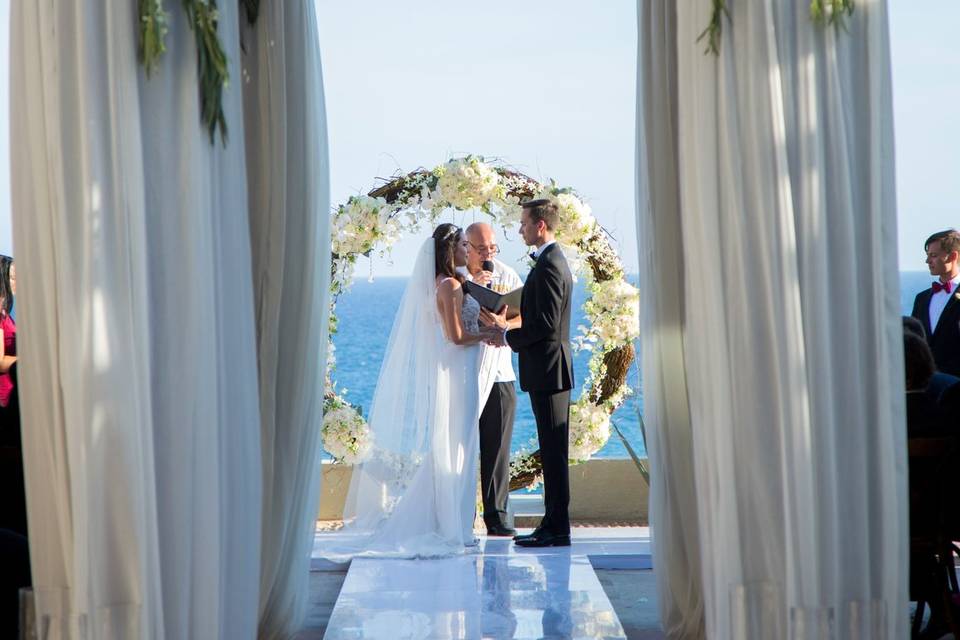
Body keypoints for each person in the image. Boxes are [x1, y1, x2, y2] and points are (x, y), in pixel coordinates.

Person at [316, 224, 502, 560]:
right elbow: (456, 336)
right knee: (457, 446)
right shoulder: (450, 285)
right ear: (450, 250)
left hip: (457, 369)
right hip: (459, 370)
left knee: (455, 445)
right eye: (462, 245)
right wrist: (489, 335)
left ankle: (455, 525)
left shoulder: (446, 283)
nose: (467, 250)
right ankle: (454, 528)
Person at [482, 199, 574, 547]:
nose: (519, 229)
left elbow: (546, 325)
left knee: (553, 452)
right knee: (552, 449)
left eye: (523, 223)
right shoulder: (550, 262)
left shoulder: (550, 265)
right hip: (548, 369)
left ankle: (556, 527)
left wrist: (505, 335)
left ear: (540, 226)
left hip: (550, 369)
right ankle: (555, 525)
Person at [464, 222, 522, 537]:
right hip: (464, 373)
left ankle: (497, 516)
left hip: (500, 372)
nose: (488, 254)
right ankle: (460, 513)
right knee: (461, 444)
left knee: (497, 447)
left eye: (492, 248)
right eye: (481, 248)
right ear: (467, 247)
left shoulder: (507, 274)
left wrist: (503, 322)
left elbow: (523, 313)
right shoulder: (457, 277)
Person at [911, 230, 960, 376]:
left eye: (933, 255)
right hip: (926, 385)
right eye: (928, 256)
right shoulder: (921, 298)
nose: (928, 261)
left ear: (953, 256)